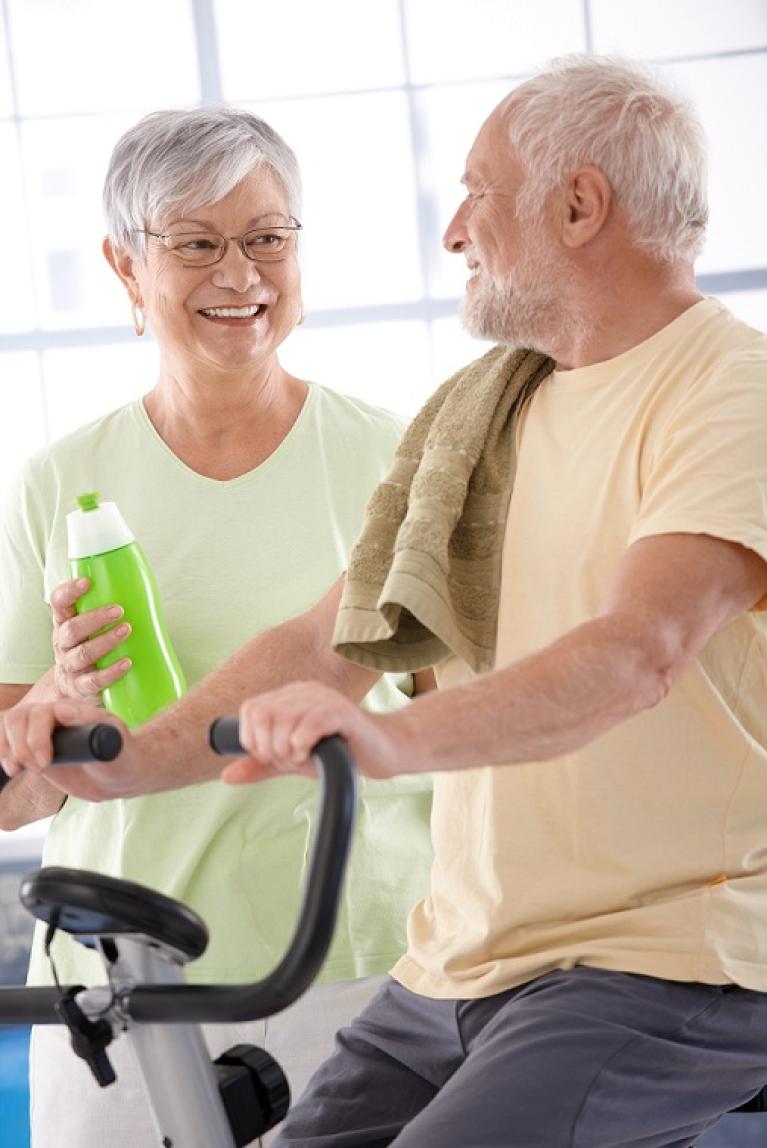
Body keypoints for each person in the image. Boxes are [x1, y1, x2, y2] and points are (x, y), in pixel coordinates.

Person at [4, 52, 767, 1147]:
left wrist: (384, 735)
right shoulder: (479, 415)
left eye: (477, 193)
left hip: (653, 951)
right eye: (198, 241)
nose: (452, 228)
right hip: (462, 957)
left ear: (577, 204)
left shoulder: (726, 391)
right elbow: (325, 643)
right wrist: (107, 757)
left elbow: (634, 652)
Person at [0, 106, 433, 1147]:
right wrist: (53, 719)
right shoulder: (58, 482)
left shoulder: (398, 457)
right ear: (124, 264)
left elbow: (464, 725)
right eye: (195, 242)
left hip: (354, 964)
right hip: (117, 979)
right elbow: (13, 795)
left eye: (267, 237)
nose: (239, 274)